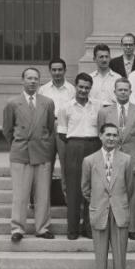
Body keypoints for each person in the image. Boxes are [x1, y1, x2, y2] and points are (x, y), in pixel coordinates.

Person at [81, 123, 133, 269]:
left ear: (118, 138)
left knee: (120, 253)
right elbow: (85, 188)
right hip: (99, 210)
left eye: (114, 135)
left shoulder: (126, 159)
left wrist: (118, 201)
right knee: (100, 252)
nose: (111, 138)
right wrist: (98, 202)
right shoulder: (89, 160)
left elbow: (130, 187)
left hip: (119, 210)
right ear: (100, 136)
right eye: (108, 135)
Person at [2, 67, 56, 242]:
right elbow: (7, 130)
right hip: (21, 153)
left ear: (39, 81)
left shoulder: (47, 102)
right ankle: (17, 228)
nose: (33, 81)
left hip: (41, 152)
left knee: (43, 194)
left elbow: (49, 127)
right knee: (20, 194)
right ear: (22, 80)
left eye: (35, 78)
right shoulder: (12, 103)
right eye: (29, 78)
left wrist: (44, 146)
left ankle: (42, 227)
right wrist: (17, 145)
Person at [97, 78, 135, 240]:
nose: (123, 92)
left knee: (132, 195)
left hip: (133, 158)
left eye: (126, 90)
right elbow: (101, 135)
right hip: (111, 158)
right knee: (112, 193)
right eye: (120, 90)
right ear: (115, 92)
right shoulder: (105, 112)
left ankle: (132, 228)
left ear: (131, 92)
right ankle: (112, 226)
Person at [57, 72, 103, 240]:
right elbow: (62, 133)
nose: (83, 90)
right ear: (75, 87)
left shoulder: (98, 106)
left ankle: (89, 229)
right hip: (74, 147)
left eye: (87, 88)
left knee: (92, 189)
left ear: (91, 89)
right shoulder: (65, 107)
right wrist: (75, 145)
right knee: (74, 189)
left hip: (94, 146)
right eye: (81, 87)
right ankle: (73, 229)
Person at [38, 58, 75, 192]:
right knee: (46, 163)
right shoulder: (43, 90)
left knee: (66, 163)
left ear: (65, 70)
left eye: (60, 69)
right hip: (48, 127)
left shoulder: (72, 90)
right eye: (54, 70)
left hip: (65, 127)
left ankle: (67, 195)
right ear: (50, 71)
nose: (57, 72)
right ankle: (42, 196)